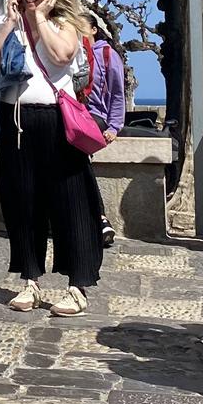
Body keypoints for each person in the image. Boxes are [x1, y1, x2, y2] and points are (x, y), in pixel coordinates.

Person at [0, 0, 105, 315]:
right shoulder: (10, 24)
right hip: (15, 120)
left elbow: (62, 55)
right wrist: (9, 22)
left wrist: (37, 18)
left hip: (55, 121)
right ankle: (29, 278)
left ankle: (78, 285)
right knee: (21, 201)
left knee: (71, 203)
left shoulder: (67, 22)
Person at [84, 22, 127, 247]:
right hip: (72, 115)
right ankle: (97, 219)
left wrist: (113, 126)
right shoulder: (68, 50)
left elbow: (117, 93)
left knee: (78, 159)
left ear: (93, 29)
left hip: (94, 117)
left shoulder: (107, 54)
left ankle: (99, 218)